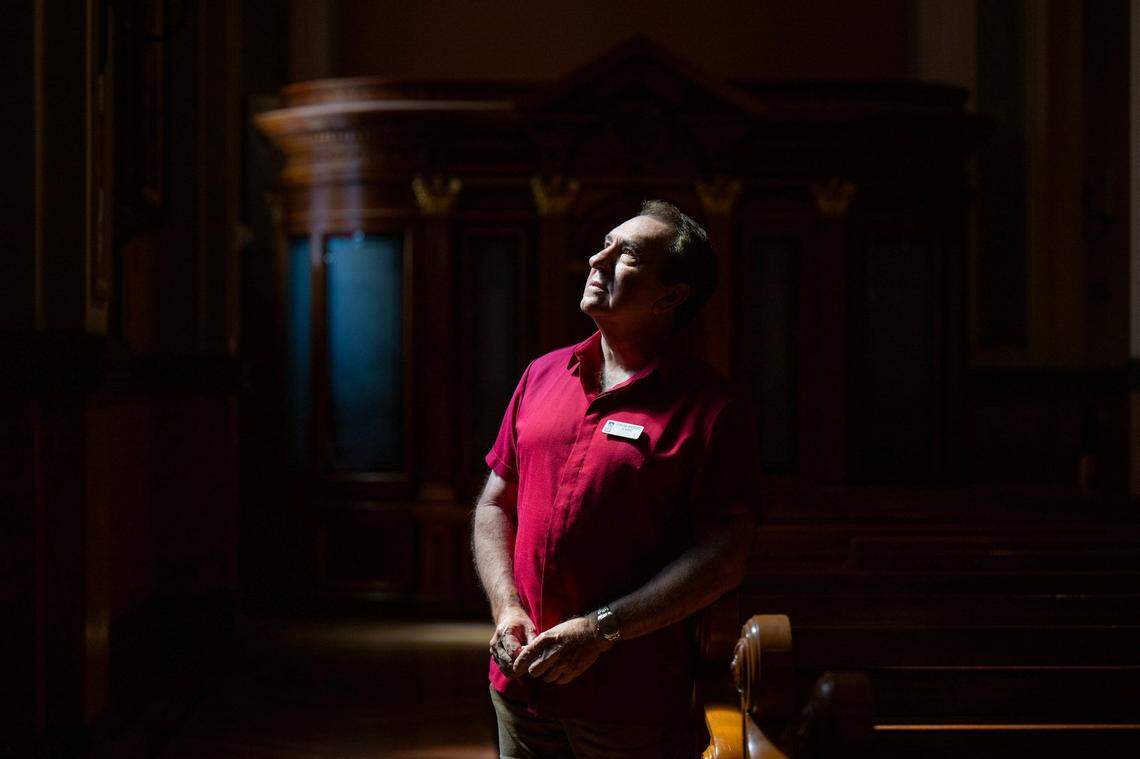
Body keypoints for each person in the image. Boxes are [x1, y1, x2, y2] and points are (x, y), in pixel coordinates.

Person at [471, 199, 761, 758]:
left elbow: (725, 557)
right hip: (519, 686)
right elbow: (494, 504)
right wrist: (507, 607)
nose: (596, 258)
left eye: (624, 254)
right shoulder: (542, 374)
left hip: (632, 702)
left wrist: (603, 628)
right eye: (604, 243)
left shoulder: (712, 408)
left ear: (670, 296)